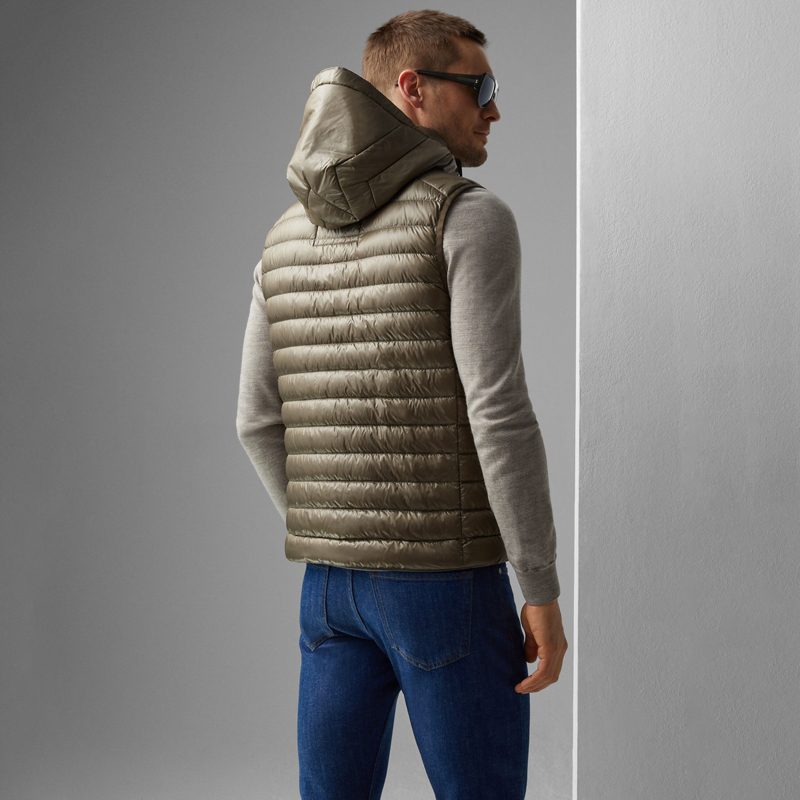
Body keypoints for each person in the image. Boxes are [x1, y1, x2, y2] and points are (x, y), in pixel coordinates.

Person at [236, 9, 568, 799]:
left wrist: (338, 529)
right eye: (479, 87)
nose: (495, 108)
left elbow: (255, 420)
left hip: (330, 591)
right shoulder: (469, 216)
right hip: (447, 583)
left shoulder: (283, 237)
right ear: (413, 87)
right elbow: (498, 412)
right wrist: (540, 588)